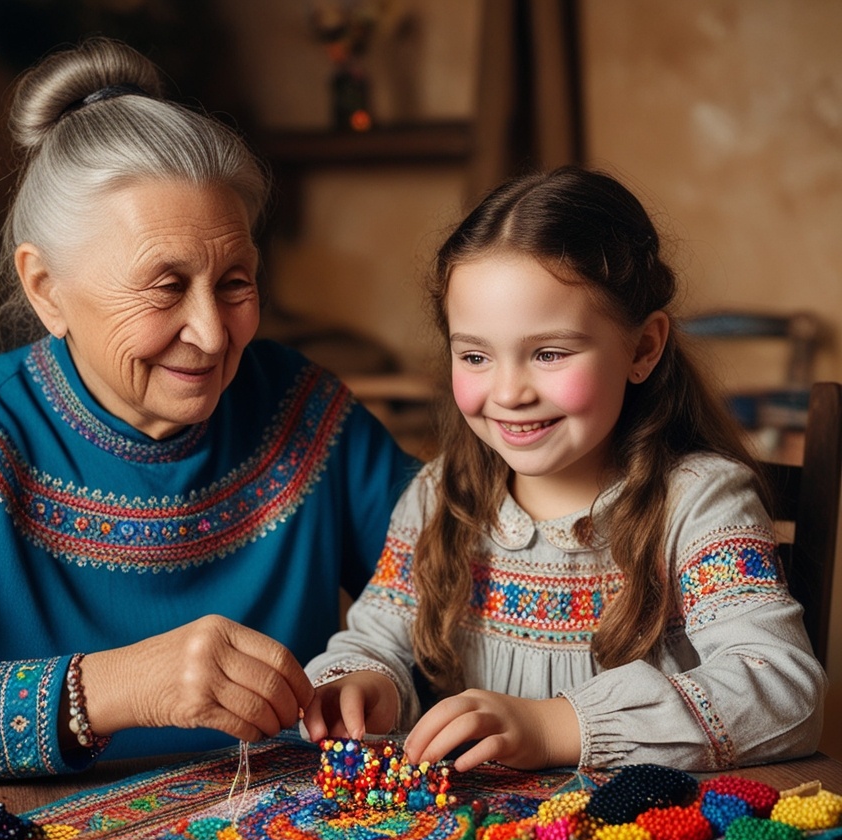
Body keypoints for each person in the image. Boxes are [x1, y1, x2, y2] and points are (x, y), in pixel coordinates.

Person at [0, 38, 416, 791]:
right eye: (166, 287)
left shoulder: (304, 408)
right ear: (46, 290)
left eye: (235, 282)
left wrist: (377, 668)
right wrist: (108, 689)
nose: (210, 331)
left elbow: (459, 569)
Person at [303, 166, 827, 774]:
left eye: (548, 353)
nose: (508, 392)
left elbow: (785, 690)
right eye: (475, 355)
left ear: (643, 349)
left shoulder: (699, 503)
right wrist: (366, 685)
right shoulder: (439, 497)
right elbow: (374, 642)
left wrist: (555, 726)